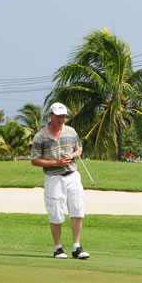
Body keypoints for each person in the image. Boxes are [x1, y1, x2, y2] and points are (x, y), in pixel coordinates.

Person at [30, 103, 90, 259]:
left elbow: (79, 149)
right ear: (50, 115)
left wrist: (72, 155)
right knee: (56, 213)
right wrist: (56, 163)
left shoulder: (71, 131)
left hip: (72, 176)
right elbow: (34, 160)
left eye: (63, 116)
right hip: (53, 178)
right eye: (58, 116)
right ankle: (58, 248)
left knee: (77, 210)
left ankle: (77, 247)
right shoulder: (40, 136)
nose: (61, 119)